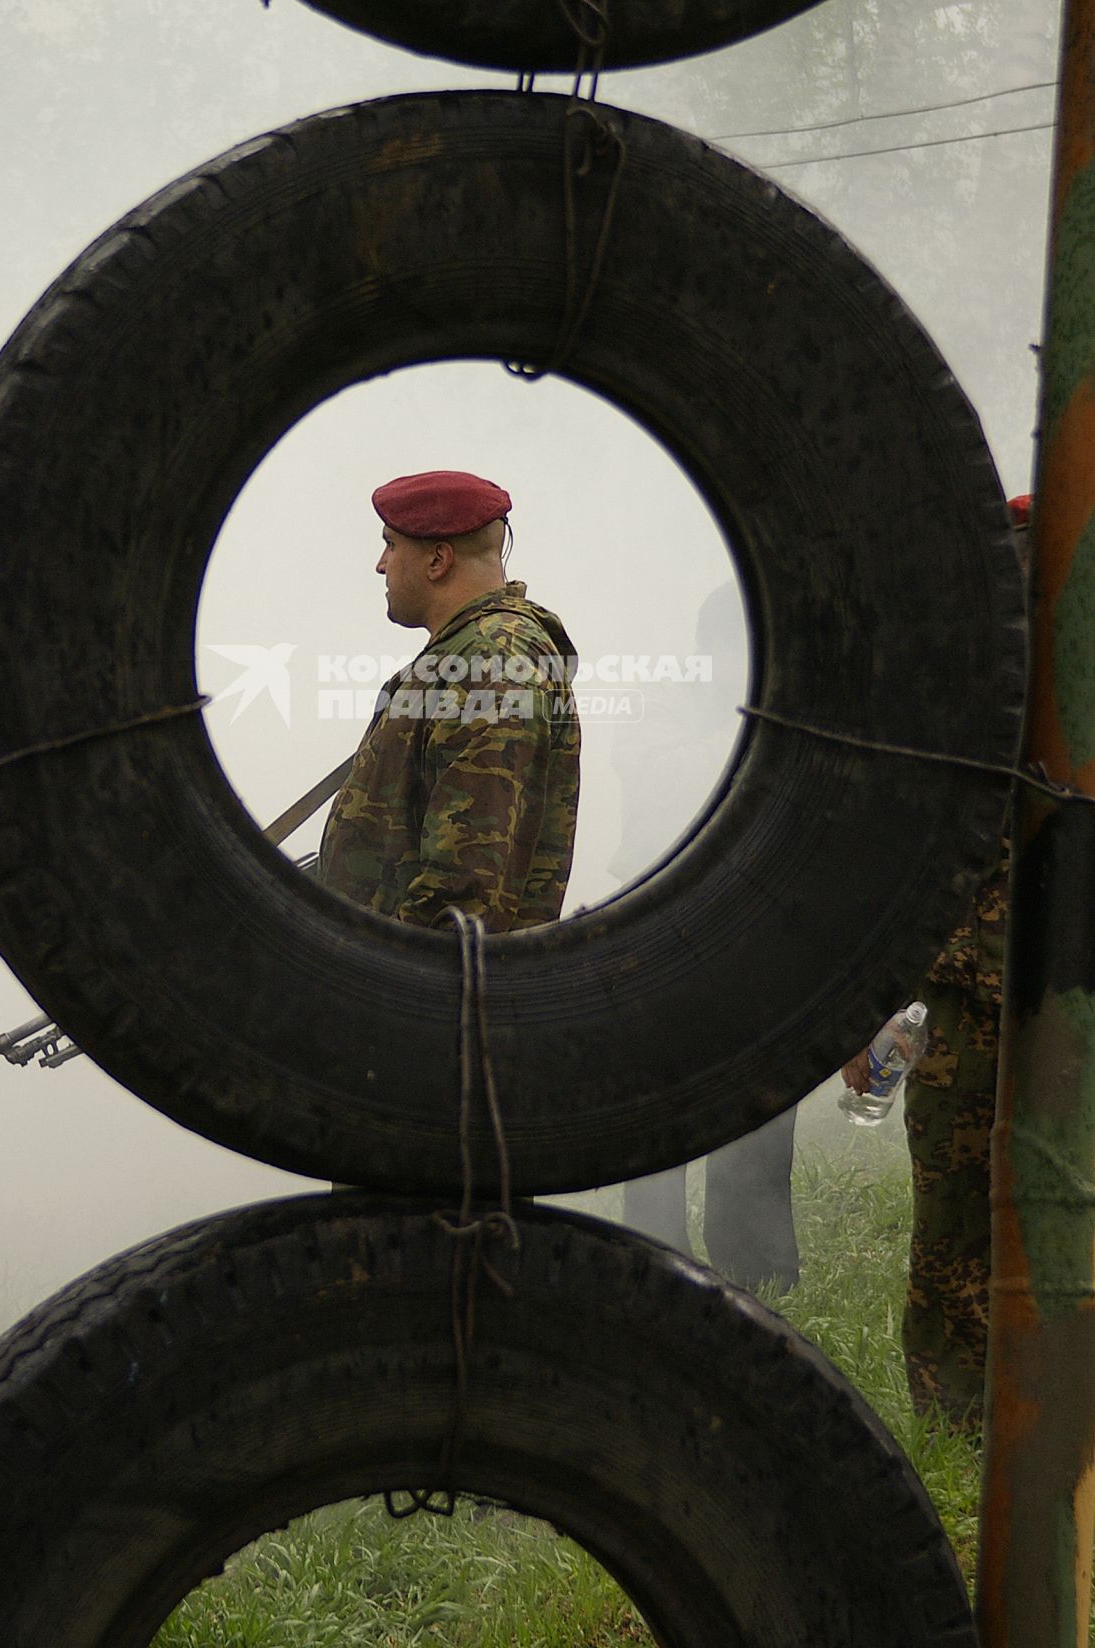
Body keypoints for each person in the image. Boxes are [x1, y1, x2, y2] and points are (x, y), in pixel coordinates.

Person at [842, 492, 1029, 1427]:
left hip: (988, 994)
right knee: (962, 1220)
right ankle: (972, 1419)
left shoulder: (962, 673)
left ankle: (981, 1412)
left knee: (965, 1220)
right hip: (970, 998)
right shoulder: (956, 683)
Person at [615, 582, 801, 1292]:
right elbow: (665, 786)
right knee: (656, 1111)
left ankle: (759, 1278)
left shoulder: (789, 713)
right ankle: (647, 1267)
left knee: (758, 1110)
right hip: (662, 930)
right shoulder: (664, 708)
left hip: (760, 930)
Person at [317, 470, 581, 932]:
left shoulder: (491, 662)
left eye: (391, 545)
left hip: (417, 991)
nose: (381, 564)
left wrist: (383, 979)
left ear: (438, 560)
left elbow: (462, 898)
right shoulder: (466, 657)